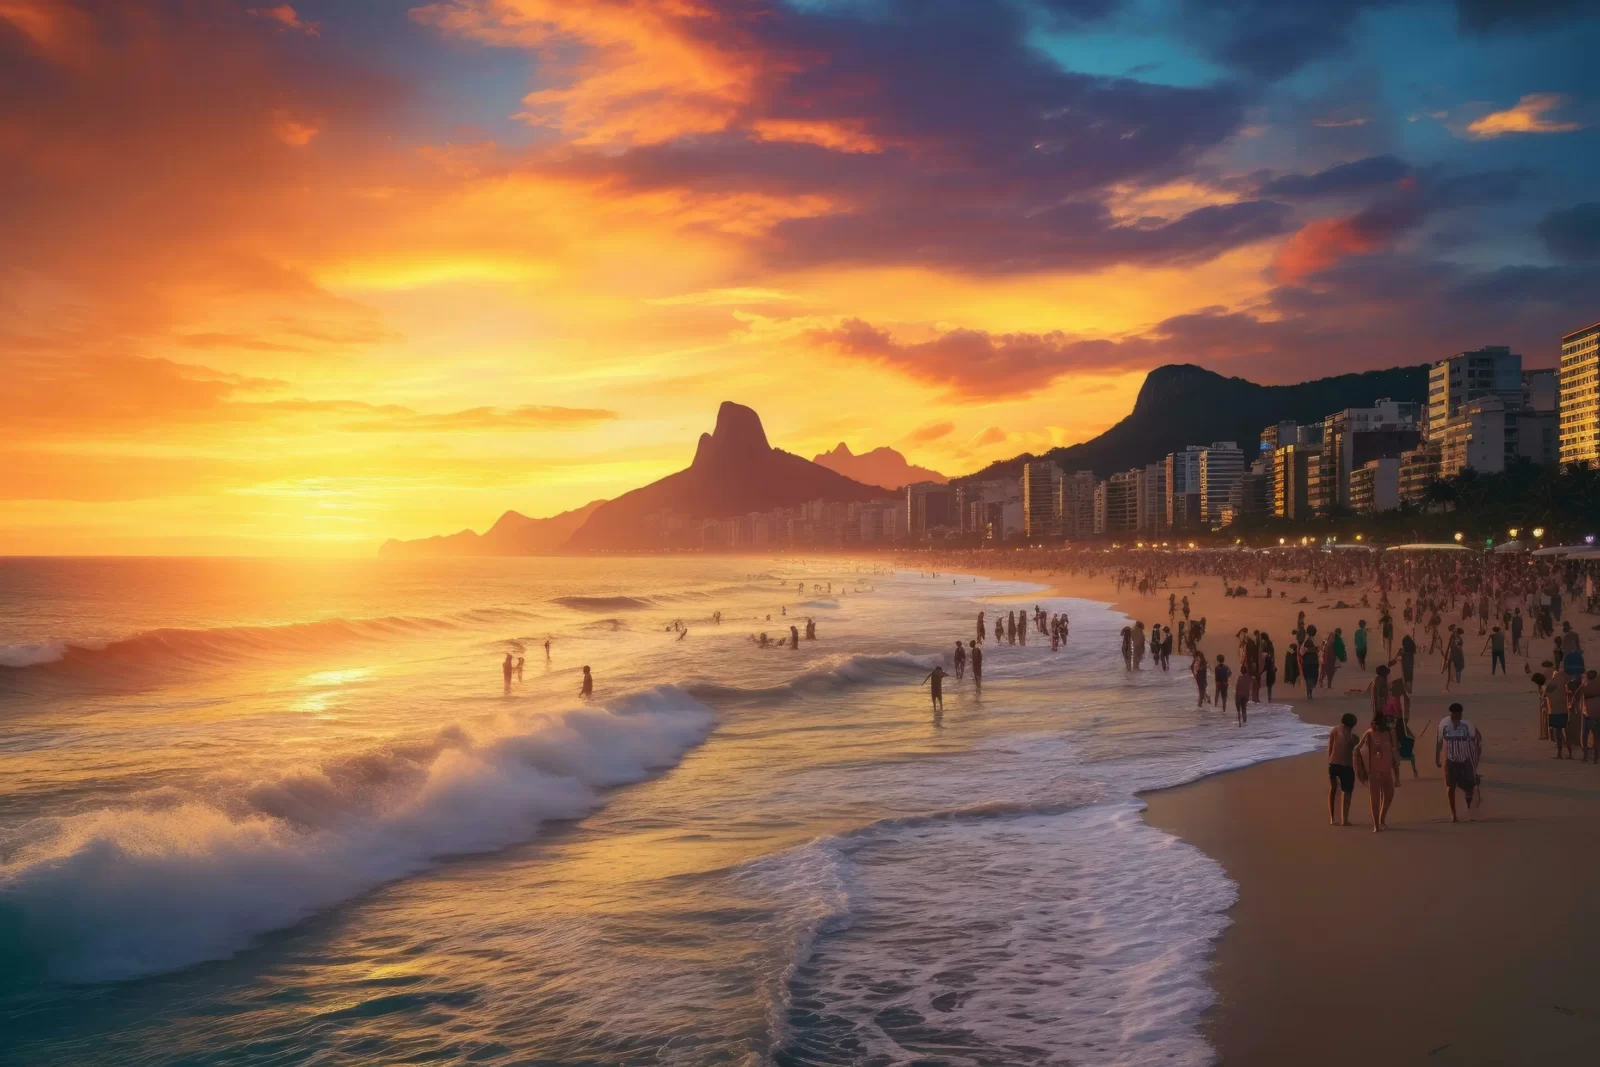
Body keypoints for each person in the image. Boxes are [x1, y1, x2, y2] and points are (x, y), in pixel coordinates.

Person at [1436, 702, 1482, 822]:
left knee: (1469, 787)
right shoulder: (1444, 724)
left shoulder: (1468, 725)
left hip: (1465, 760)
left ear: (1461, 714)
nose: (1456, 716)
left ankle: (1469, 810)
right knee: (1450, 787)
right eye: (1454, 714)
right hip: (1450, 760)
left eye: (1458, 714)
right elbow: (1439, 742)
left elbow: (1476, 741)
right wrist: (1437, 757)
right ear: (1451, 713)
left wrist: (1475, 761)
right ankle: (1453, 814)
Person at [1356, 709, 1398, 832]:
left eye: (1375, 724)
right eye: (1372, 724)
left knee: (1389, 795)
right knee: (1374, 798)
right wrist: (1360, 767)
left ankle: (1382, 818)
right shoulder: (1369, 734)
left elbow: (1394, 753)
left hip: (1386, 771)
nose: (1373, 726)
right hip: (1373, 772)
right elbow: (1357, 748)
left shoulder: (1390, 734)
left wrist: (1397, 774)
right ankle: (1376, 825)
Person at [1327, 712, 1358, 826]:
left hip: (1333, 765)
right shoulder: (1353, 737)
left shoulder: (1334, 730)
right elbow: (1357, 753)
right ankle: (1344, 820)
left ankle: (1332, 818)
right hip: (1346, 766)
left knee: (1333, 789)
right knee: (1347, 791)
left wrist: (1330, 762)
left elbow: (1330, 748)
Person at [1583, 669, 1600, 764]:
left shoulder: (1586, 686)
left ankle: (1585, 756)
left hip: (1589, 714)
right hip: (1598, 714)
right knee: (1597, 736)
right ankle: (1596, 757)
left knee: (1585, 735)